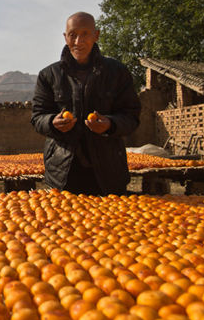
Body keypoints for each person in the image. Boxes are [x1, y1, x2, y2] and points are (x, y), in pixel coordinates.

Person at [31, 12, 141, 195]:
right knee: (62, 222)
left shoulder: (117, 72)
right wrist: (52, 123)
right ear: (65, 38)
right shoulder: (49, 75)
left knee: (112, 222)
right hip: (63, 174)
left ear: (96, 35)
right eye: (72, 34)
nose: (78, 41)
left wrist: (111, 125)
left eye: (85, 34)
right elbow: (37, 117)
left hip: (108, 172)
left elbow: (132, 115)